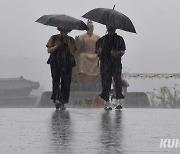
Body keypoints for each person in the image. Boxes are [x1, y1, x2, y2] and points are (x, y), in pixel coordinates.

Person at [96, 26, 126, 110]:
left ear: (115, 28)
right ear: (107, 28)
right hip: (105, 63)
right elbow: (97, 52)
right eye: (109, 27)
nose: (111, 29)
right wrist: (99, 51)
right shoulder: (102, 40)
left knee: (117, 81)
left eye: (113, 28)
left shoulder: (120, 39)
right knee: (106, 82)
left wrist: (117, 53)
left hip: (116, 63)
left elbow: (123, 51)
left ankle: (118, 102)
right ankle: (107, 102)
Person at [46, 28, 77, 110]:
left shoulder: (71, 39)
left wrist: (69, 45)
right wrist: (56, 46)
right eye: (62, 29)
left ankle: (63, 101)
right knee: (56, 80)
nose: (64, 31)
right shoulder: (54, 38)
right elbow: (49, 50)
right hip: (56, 61)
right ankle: (57, 98)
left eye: (66, 29)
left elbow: (73, 52)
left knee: (66, 82)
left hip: (67, 62)